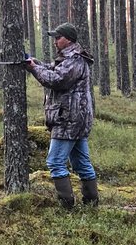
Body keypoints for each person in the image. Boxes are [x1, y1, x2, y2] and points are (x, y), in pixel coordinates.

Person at [25, 22, 98, 209]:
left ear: (69, 40)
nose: (55, 41)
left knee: (55, 162)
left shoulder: (74, 59)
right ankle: (91, 205)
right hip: (75, 117)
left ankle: (67, 207)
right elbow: (53, 69)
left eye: (58, 37)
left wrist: (34, 69)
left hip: (68, 119)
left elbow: (56, 80)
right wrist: (34, 63)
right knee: (81, 163)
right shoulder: (68, 59)